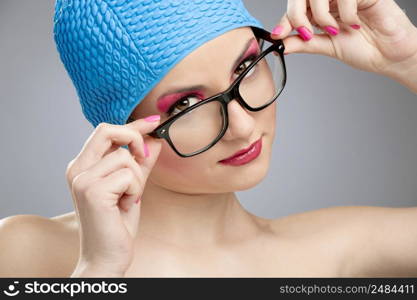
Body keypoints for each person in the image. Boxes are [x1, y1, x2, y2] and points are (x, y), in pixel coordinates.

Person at [1, 0, 416, 278]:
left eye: (246, 68)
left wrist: (408, 59)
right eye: (184, 105)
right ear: (119, 128)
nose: (242, 126)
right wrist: (99, 271)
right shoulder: (22, 251)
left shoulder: (334, 248)